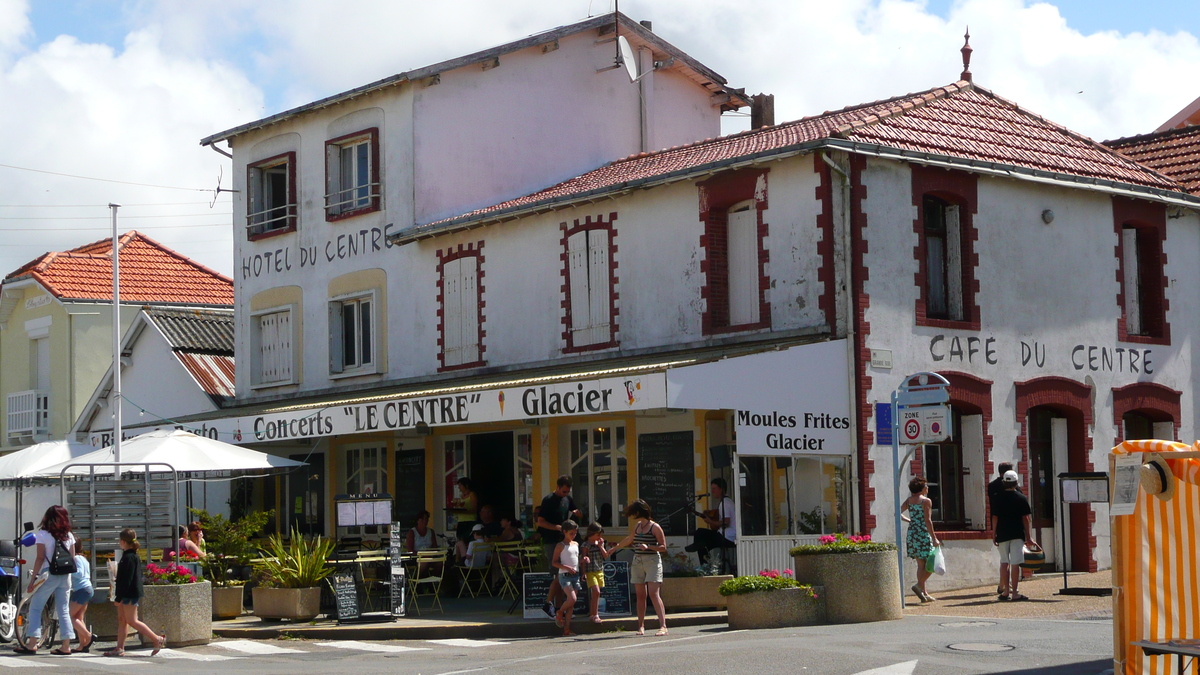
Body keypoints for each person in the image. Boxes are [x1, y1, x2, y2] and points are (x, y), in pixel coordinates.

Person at [14, 505, 77, 655]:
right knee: (63, 609)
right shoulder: (69, 534)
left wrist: (33, 580)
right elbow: (72, 557)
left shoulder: (42, 534)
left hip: (49, 575)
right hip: (66, 575)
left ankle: (32, 644)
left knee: (36, 607)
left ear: (46, 517)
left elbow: (40, 558)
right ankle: (66, 646)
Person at [609, 499, 668, 636]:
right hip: (638, 560)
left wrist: (649, 547)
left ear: (640, 512)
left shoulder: (655, 527)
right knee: (641, 595)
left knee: (653, 593)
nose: (633, 515)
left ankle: (663, 626)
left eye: (634, 512)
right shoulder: (638, 526)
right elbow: (630, 539)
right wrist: (615, 548)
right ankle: (640, 626)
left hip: (652, 561)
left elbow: (663, 547)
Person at [106, 528, 166, 657]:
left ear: (122, 541)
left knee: (132, 620)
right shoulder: (131, 556)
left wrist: (118, 597)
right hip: (129, 592)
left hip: (129, 593)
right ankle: (119, 648)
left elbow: (126, 580)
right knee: (122, 619)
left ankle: (157, 639)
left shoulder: (128, 557)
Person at [536, 475, 582, 619]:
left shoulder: (567, 499)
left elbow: (576, 511)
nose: (565, 494)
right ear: (557, 487)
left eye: (567, 492)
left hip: (565, 540)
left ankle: (558, 608)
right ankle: (548, 603)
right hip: (552, 540)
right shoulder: (548, 500)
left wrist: (578, 513)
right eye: (563, 491)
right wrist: (556, 527)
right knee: (558, 573)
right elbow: (540, 522)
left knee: (563, 576)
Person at [992, 470, 1036, 602]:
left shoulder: (997, 497)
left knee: (1004, 562)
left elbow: (995, 518)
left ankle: (1006, 591)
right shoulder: (1021, 498)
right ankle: (1015, 592)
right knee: (1015, 563)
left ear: (1004, 482)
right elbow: (1026, 519)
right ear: (1016, 483)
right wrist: (1029, 537)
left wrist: (994, 534)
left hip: (1002, 533)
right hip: (1017, 534)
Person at [903, 477, 940, 603]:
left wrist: (910, 520)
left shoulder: (909, 500)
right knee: (932, 562)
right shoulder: (926, 501)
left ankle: (924, 593)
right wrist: (934, 538)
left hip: (912, 533)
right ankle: (919, 585)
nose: (928, 488)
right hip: (923, 533)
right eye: (926, 486)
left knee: (921, 564)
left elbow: (897, 512)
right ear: (921, 488)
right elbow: (928, 520)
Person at [685, 478, 737, 567]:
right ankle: (707, 564)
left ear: (721, 489)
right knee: (703, 543)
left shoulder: (725, 503)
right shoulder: (725, 502)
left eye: (714, 488)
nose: (712, 491)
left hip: (728, 537)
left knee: (700, 533)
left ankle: (706, 566)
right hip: (726, 535)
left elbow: (726, 522)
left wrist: (710, 521)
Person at [987, 462, 1021, 593]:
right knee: (1013, 561)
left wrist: (993, 531)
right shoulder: (1014, 487)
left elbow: (993, 508)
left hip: (999, 525)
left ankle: (1003, 585)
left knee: (1004, 560)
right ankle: (1008, 586)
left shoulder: (992, 486)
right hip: (1014, 526)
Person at [551, 520, 581, 636]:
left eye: (575, 533)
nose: (573, 536)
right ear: (564, 532)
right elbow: (554, 562)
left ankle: (567, 629)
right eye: (571, 533)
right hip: (564, 575)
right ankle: (559, 612)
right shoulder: (560, 545)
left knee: (571, 605)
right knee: (572, 599)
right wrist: (566, 567)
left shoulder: (576, 544)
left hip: (575, 575)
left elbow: (576, 559)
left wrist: (583, 561)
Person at [581, 522, 609, 624]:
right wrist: (583, 572)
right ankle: (595, 614)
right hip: (590, 571)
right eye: (598, 535)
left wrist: (601, 546)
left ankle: (593, 614)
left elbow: (605, 556)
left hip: (599, 570)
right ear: (591, 534)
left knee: (596, 594)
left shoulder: (599, 543)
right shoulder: (586, 544)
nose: (599, 537)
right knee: (596, 591)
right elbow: (583, 558)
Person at [69, 552, 94, 653]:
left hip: (81, 589)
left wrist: (68, 570)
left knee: (69, 616)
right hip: (87, 588)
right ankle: (83, 644)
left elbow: (79, 574)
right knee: (79, 617)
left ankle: (89, 636)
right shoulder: (83, 559)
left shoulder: (76, 558)